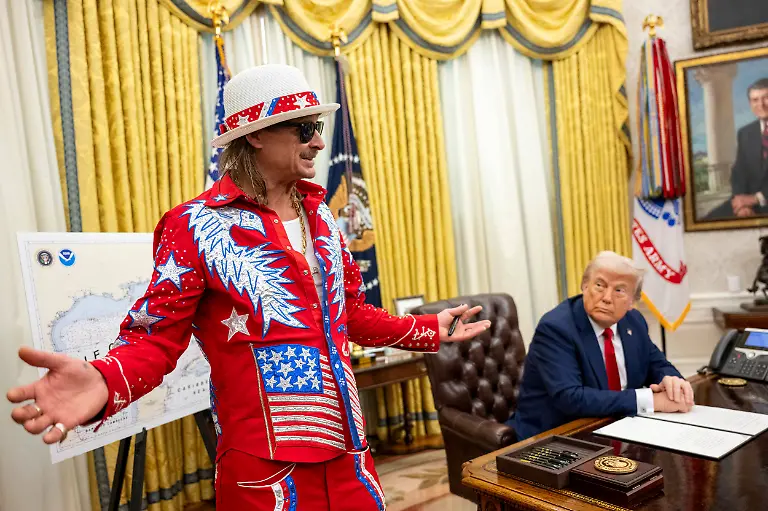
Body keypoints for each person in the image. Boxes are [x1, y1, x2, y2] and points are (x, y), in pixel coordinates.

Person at [6, 64, 491, 510]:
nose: (318, 143)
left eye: (317, 128)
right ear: (257, 135)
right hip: (265, 471)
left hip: (350, 452)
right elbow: (156, 336)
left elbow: (352, 315)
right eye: (304, 128)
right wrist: (106, 378)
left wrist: (428, 329)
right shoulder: (194, 225)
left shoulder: (321, 216)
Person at [507, 251, 693, 441]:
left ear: (632, 302)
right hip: (555, 438)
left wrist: (672, 383)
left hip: (619, 429)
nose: (606, 297)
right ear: (584, 286)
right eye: (599, 285)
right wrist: (650, 400)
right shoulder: (556, 327)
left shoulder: (634, 321)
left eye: (619, 290)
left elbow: (656, 363)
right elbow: (571, 398)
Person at [706, 78, 768, 219]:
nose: (761, 105)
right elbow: (739, 171)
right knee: (709, 220)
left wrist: (757, 198)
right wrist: (741, 203)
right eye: (755, 100)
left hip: (761, 200)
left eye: (766, 98)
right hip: (748, 202)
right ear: (750, 104)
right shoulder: (745, 133)